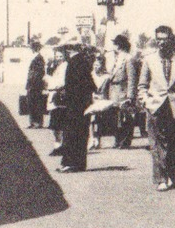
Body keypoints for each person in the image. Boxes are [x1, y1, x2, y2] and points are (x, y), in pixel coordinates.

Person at [134, 25, 175, 191]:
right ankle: (161, 179)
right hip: (156, 107)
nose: (161, 43)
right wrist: (147, 102)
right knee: (157, 144)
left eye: (164, 39)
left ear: (170, 40)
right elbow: (142, 86)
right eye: (158, 39)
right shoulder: (149, 60)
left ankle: (172, 176)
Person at [55, 42, 97, 172]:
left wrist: (65, 92)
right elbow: (91, 85)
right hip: (83, 104)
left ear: (68, 51)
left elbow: (75, 86)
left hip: (75, 105)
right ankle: (78, 163)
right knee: (81, 134)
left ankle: (71, 163)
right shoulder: (83, 61)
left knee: (72, 134)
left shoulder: (74, 63)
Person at [99, 34, 138, 148]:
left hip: (122, 90)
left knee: (125, 117)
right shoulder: (115, 58)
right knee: (115, 118)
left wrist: (130, 95)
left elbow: (132, 78)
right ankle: (118, 140)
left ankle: (125, 141)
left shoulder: (128, 58)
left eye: (115, 44)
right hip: (114, 91)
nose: (113, 46)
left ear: (119, 45)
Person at [23, 41, 48, 128]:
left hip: (36, 85)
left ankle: (37, 122)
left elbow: (39, 73)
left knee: (36, 103)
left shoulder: (39, 58)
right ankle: (33, 122)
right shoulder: (36, 58)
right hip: (32, 84)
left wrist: (32, 83)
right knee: (31, 103)